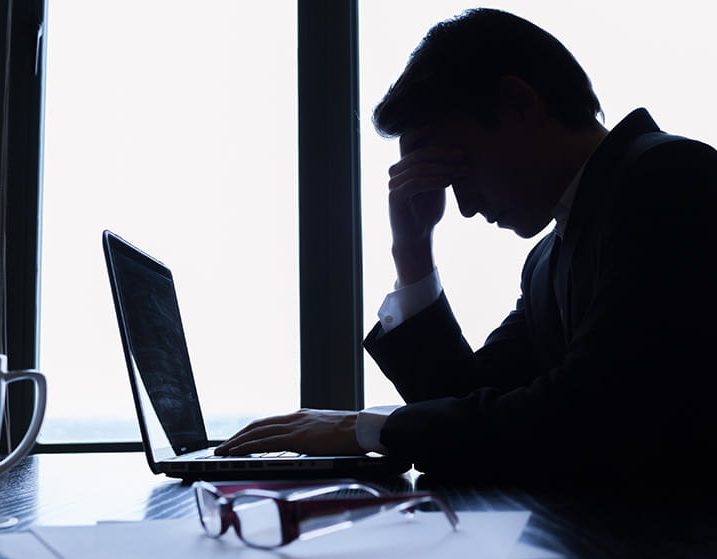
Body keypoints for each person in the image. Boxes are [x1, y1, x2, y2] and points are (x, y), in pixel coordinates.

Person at [216, 8, 717, 483]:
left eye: (460, 168)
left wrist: (364, 428)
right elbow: (467, 404)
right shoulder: (547, 259)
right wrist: (412, 249)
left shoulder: (670, 177)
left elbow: (588, 416)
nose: (467, 207)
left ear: (519, 104)